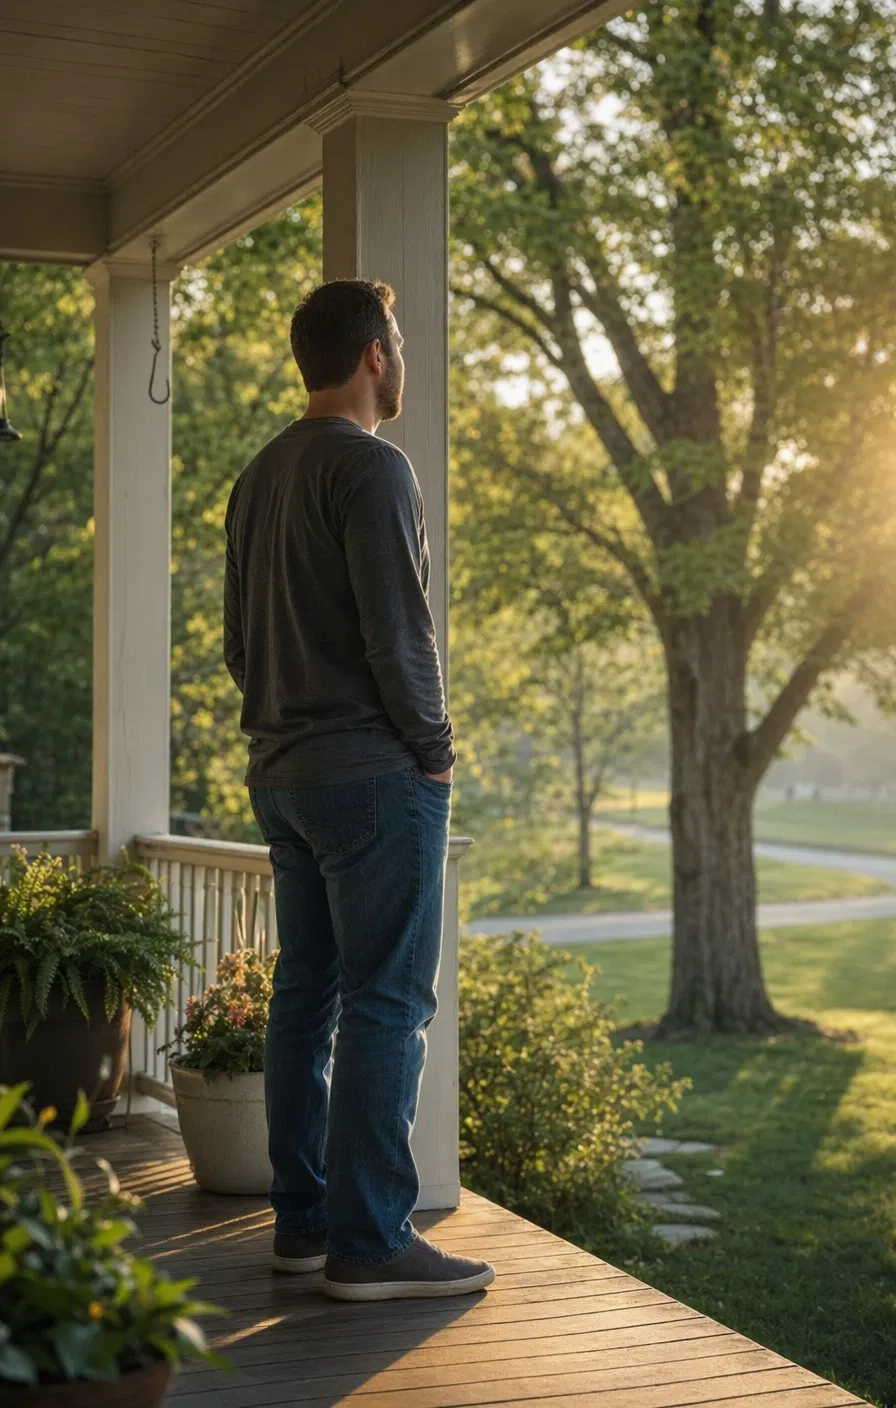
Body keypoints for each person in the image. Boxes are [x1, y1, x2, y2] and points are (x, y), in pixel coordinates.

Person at [223, 278, 494, 1302]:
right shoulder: (372, 468)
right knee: (388, 1001)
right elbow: (398, 631)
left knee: (307, 994)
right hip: (374, 778)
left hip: (284, 775)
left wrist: (286, 731)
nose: (405, 354)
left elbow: (239, 645)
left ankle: (302, 1226)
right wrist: (434, 750)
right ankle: (370, 1242)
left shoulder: (259, 476)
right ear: (376, 353)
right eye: (402, 339)